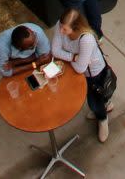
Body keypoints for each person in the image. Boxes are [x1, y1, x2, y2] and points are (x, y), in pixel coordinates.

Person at [50, 8, 117, 143]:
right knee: (96, 99)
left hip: (94, 74)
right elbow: (55, 51)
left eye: (65, 30)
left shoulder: (86, 39)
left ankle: (102, 118)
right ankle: (106, 104)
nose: (61, 32)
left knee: (93, 101)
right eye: (61, 28)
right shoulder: (60, 24)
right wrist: (74, 57)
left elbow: (80, 69)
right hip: (81, 67)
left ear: (76, 28)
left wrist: (74, 60)